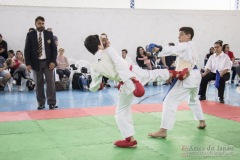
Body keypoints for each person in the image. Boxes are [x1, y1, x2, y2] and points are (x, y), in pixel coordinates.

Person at [84, 34, 189, 148]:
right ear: (100, 45)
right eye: (102, 41)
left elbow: (94, 84)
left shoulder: (94, 64)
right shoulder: (108, 51)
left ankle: (130, 139)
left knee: (121, 111)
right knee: (151, 74)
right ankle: (176, 73)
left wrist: (97, 86)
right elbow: (119, 65)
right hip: (131, 75)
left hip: (127, 79)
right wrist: (133, 80)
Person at [148, 27, 206, 138]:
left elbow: (173, 49)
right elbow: (182, 61)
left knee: (169, 101)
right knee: (193, 99)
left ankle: (163, 130)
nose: (178, 37)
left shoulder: (186, 45)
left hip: (188, 77)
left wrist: (158, 49)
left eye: (181, 34)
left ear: (188, 36)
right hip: (195, 76)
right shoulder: (191, 46)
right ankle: (202, 121)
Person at [24, 16, 58, 110]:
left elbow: (54, 50)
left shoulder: (49, 33)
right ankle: (41, 103)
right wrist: (28, 64)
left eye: (43, 23)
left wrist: (53, 62)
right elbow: (27, 50)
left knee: (50, 83)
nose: (41, 25)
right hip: (36, 63)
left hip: (48, 62)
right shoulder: (30, 35)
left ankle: (51, 103)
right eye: (39, 23)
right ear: (35, 24)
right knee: (38, 83)